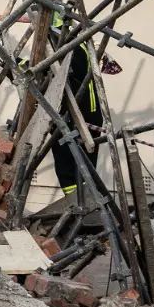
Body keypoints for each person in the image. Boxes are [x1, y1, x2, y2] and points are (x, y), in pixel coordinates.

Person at [49, 40, 104, 202]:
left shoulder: (66, 46)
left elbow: (48, 71)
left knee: (67, 164)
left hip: (76, 116)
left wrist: (18, 64)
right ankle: (84, 200)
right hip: (89, 114)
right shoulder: (81, 46)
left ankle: (78, 202)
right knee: (85, 164)